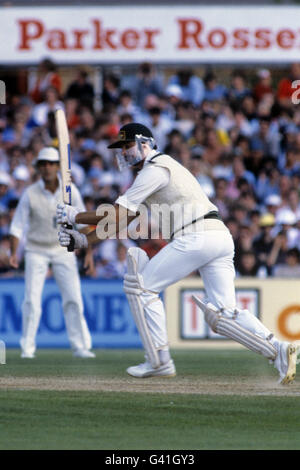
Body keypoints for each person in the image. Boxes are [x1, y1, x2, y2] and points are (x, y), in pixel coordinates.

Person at [56, 122, 299, 384]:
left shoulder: (155, 168)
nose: (124, 153)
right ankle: (279, 350)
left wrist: (75, 214)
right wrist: (83, 240)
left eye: (127, 146)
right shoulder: (154, 172)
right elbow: (123, 221)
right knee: (223, 315)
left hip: (195, 235)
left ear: (144, 144)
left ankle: (159, 359)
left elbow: (118, 213)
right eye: (121, 148)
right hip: (218, 236)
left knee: (142, 287)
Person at [9, 147, 95, 359]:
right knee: (31, 300)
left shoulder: (70, 191)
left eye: (51, 164)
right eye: (43, 164)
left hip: (62, 249)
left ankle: (81, 346)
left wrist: (89, 253)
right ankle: (27, 349)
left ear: (58, 166)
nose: (47, 168)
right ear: (38, 168)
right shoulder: (30, 193)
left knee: (73, 298)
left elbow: (83, 222)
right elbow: (17, 226)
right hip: (36, 249)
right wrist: (13, 253)